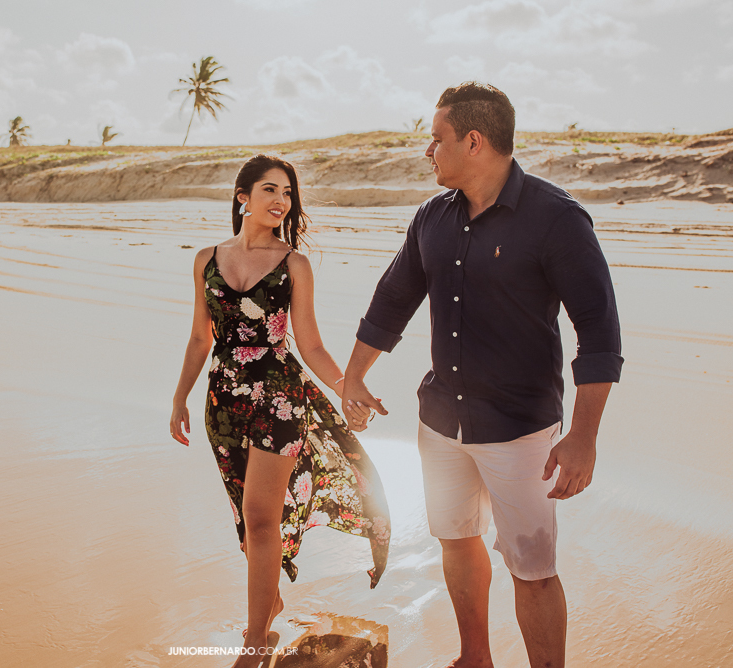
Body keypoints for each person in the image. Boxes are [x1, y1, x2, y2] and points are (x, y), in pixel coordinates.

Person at [342, 83, 623, 668]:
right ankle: (476, 658)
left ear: (474, 141)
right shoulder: (431, 219)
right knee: (456, 541)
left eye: (436, 138)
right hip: (442, 421)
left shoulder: (557, 219)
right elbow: (392, 301)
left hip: (521, 431)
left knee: (533, 567)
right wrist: (353, 378)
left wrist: (584, 437)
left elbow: (598, 333)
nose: (428, 151)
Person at [170, 154, 391, 667]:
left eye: (287, 193)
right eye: (269, 189)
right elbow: (201, 336)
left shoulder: (294, 264)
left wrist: (347, 387)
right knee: (248, 520)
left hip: (279, 399)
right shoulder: (206, 259)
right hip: (222, 401)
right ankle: (268, 601)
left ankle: (255, 639)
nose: (280, 200)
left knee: (262, 517)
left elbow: (309, 344)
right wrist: (179, 396)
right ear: (242, 197)